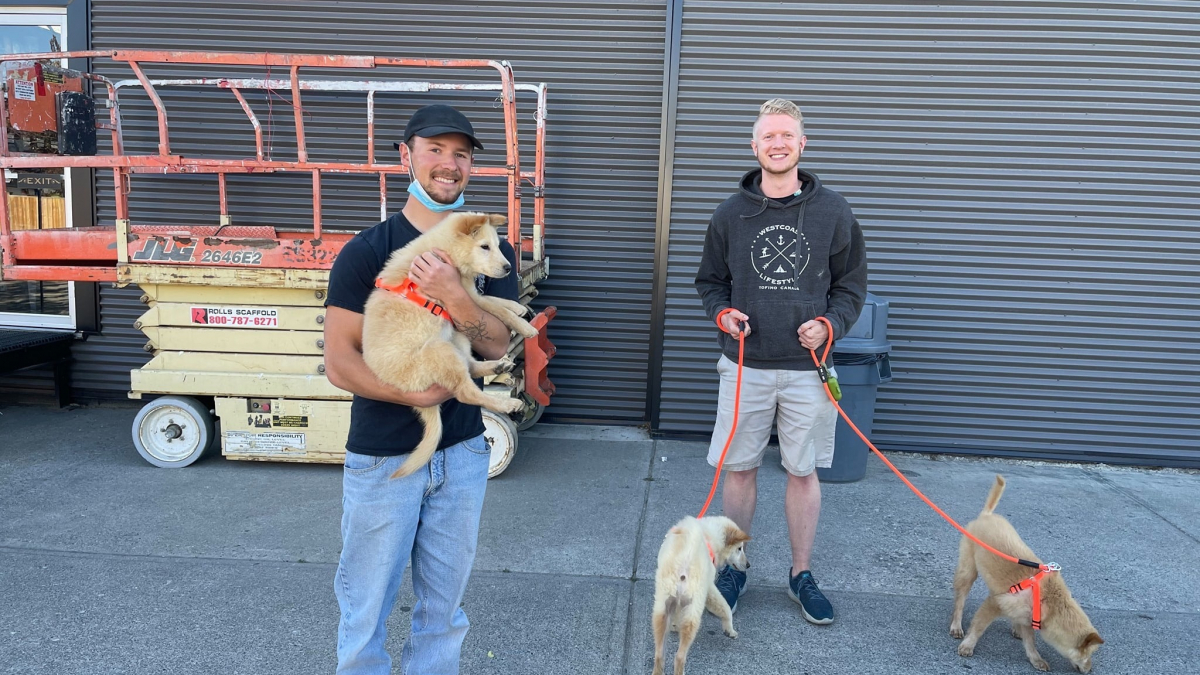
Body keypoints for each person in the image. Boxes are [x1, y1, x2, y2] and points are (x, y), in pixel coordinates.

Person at [323, 104, 520, 674]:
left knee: (444, 613)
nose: (449, 164)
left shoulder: (484, 243)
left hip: (460, 455)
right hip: (385, 458)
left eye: (461, 153)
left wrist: (455, 296)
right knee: (365, 610)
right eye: (435, 149)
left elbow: (496, 345)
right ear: (405, 155)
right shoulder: (367, 252)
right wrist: (414, 397)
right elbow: (339, 361)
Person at [694, 98, 867, 625]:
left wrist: (831, 326)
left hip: (808, 370)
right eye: (768, 135)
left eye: (787, 135)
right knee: (739, 470)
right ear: (754, 146)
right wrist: (722, 315)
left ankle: (801, 574)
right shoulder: (729, 213)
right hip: (745, 365)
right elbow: (709, 283)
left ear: (802, 144)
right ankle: (733, 568)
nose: (777, 143)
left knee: (803, 472)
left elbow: (851, 287)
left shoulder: (834, 212)